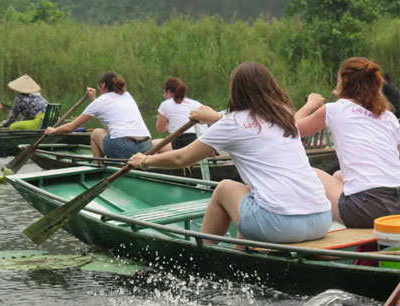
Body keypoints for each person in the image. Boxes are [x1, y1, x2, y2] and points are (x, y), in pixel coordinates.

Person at [128, 62, 332, 244]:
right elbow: (252, 128)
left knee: (225, 188)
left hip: (280, 225)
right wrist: (214, 118)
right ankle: (239, 254)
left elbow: (182, 158)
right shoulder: (285, 115)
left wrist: (145, 160)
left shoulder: (232, 122)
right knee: (251, 196)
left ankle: (204, 257)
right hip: (322, 219)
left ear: (236, 91)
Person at [296, 57, 400, 228]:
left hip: (368, 209)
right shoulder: (389, 117)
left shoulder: (336, 109)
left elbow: (289, 129)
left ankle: (308, 229)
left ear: (344, 83)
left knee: (310, 172)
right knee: (337, 176)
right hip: (397, 205)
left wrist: (310, 104)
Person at [45, 71, 152, 159]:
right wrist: (93, 99)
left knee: (96, 133)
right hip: (146, 146)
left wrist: (53, 131)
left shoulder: (100, 102)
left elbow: (70, 127)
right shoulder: (126, 95)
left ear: (103, 85)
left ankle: (99, 166)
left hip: (123, 147)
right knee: (109, 133)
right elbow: (107, 110)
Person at [152, 77, 207, 153]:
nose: (164, 95)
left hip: (185, 142)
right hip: (204, 142)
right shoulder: (197, 104)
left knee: (151, 145)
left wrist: (168, 121)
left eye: (164, 92)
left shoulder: (165, 104)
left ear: (168, 92)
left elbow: (160, 129)